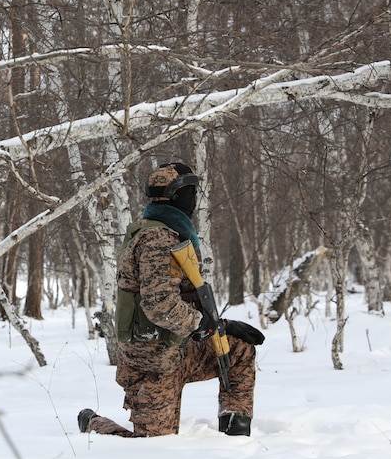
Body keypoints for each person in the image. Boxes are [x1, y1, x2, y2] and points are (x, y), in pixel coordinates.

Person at [78, 162, 265, 438]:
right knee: (153, 447)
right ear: (177, 196)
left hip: (176, 348)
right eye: (191, 191)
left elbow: (178, 298)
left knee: (237, 349)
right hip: (151, 363)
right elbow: (160, 305)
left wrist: (221, 327)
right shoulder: (157, 239)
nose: (194, 198)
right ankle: (93, 423)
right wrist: (204, 323)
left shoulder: (170, 232)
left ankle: (234, 437)